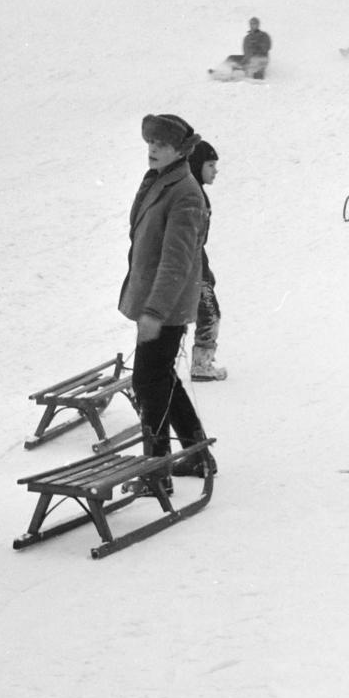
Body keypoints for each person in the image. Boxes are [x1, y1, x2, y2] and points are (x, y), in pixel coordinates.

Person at [120, 114, 213, 478]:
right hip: (156, 304)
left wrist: (155, 312)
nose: (153, 150)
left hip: (166, 308)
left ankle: (155, 471)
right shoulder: (162, 181)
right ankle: (197, 454)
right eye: (150, 144)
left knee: (148, 383)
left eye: (161, 145)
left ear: (180, 150)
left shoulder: (185, 193)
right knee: (160, 379)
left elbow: (177, 261)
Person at [187, 140, 227, 382]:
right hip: (192, 268)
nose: (215, 171)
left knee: (207, 312)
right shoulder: (193, 196)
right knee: (210, 313)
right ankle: (201, 366)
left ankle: (202, 363)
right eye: (210, 165)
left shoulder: (196, 192)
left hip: (197, 264)